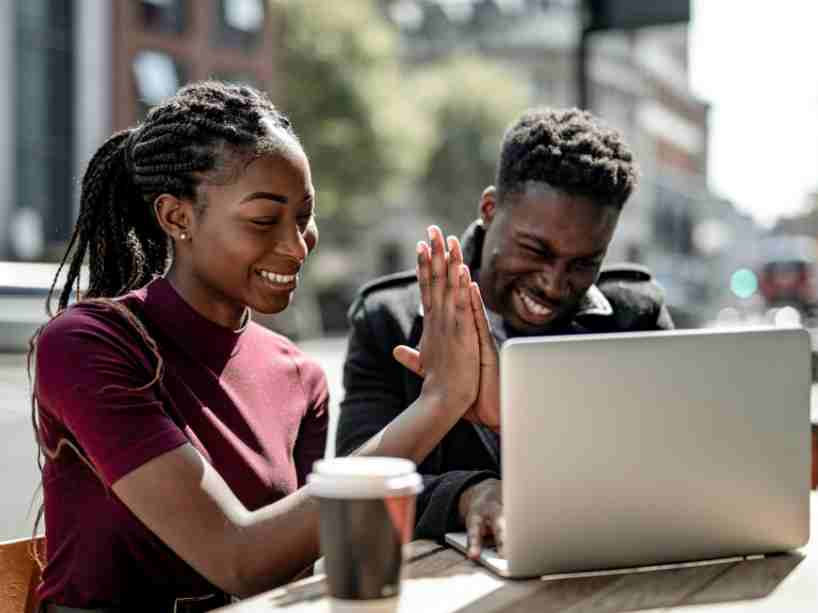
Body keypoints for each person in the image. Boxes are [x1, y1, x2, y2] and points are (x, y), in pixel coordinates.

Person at [30, 81, 491, 611]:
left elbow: (285, 575)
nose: (297, 246)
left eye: (304, 216)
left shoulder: (300, 375)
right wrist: (439, 402)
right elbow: (241, 559)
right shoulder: (88, 345)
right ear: (176, 217)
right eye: (264, 220)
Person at [336, 107, 674, 558]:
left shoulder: (636, 317)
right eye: (535, 250)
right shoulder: (389, 322)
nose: (554, 284)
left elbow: (669, 469)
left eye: (583, 263)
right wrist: (465, 494)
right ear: (490, 209)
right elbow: (355, 484)